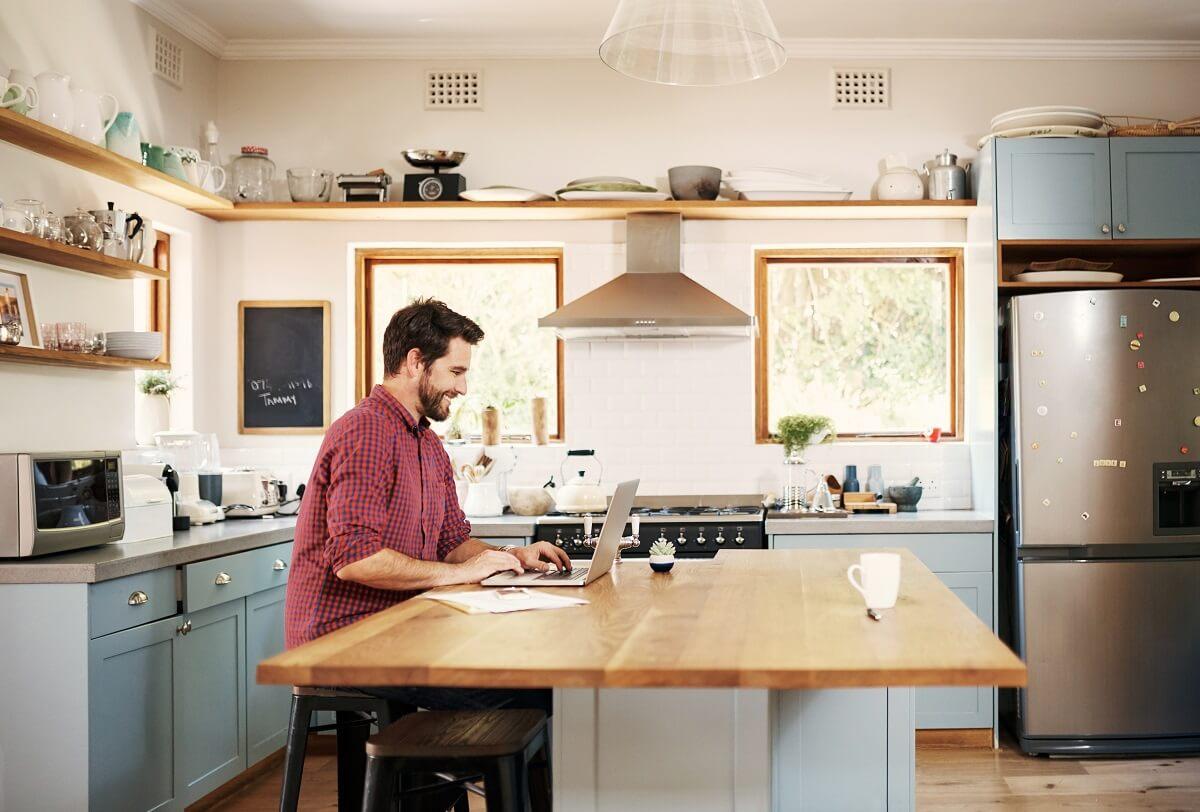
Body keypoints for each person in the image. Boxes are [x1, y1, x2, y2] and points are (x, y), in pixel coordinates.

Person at [284, 298, 570, 714]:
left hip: (401, 627)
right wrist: (458, 574)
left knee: (533, 670)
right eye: (455, 371)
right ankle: (463, 774)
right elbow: (355, 560)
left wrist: (512, 556)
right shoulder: (365, 431)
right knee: (526, 693)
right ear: (416, 361)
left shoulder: (427, 442)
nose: (462, 388)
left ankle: (452, 774)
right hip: (342, 641)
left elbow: (452, 540)